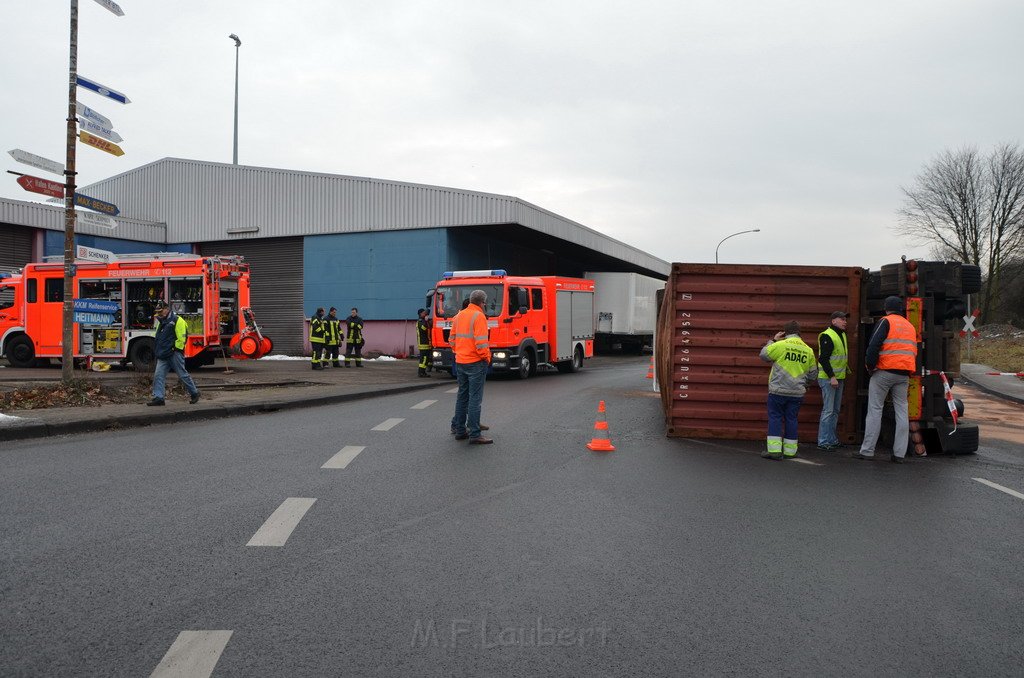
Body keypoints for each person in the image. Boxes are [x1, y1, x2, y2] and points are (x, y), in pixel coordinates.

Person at [856, 296, 918, 464]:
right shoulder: (910, 326)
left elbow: (874, 345)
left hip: (884, 371)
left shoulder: (886, 321)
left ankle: (867, 451)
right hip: (904, 373)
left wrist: (870, 366)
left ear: (886, 308)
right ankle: (899, 454)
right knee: (902, 412)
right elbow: (913, 350)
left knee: (875, 409)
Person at [759, 320, 816, 460]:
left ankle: (774, 451)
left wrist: (773, 340)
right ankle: (790, 452)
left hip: (778, 390)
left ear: (785, 332)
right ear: (799, 332)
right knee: (791, 419)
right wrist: (805, 385)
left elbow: (763, 355)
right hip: (797, 392)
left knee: (775, 418)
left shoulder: (781, 345)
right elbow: (813, 374)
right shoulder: (808, 350)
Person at [450, 289, 492, 444]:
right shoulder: (479, 316)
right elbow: (481, 343)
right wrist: (486, 357)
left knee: (462, 397)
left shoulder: (459, 315)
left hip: (461, 361)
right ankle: (475, 433)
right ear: (483, 302)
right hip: (475, 362)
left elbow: (452, 339)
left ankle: (460, 430)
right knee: (475, 399)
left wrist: (459, 352)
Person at [147, 300, 200, 406]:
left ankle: (195, 393)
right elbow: (159, 338)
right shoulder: (162, 321)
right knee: (158, 375)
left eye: (161, 311)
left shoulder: (177, 320)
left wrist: (174, 349)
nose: (159, 314)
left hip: (173, 353)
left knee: (182, 375)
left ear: (167, 309)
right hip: (164, 353)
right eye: (158, 312)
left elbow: (182, 338)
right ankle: (159, 398)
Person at [816, 311, 850, 450]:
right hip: (829, 379)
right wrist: (832, 377)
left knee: (835, 410)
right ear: (833, 321)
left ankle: (831, 439)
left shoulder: (841, 334)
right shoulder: (827, 335)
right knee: (828, 411)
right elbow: (823, 359)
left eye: (845, 319)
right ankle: (823, 441)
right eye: (842, 319)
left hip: (838, 378)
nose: (845, 321)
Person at [415, 308, 432, 377]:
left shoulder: (422, 320)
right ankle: (421, 372)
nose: (425, 314)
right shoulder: (420, 321)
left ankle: (423, 372)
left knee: (426, 358)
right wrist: (426, 320)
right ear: (420, 314)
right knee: (424, 359)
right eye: (424, 313)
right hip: (423, 343)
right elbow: (424, 329)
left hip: (426, 342)